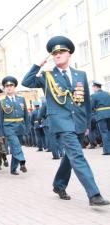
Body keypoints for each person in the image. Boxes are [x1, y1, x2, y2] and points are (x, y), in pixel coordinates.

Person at [22, 35, 109, 206]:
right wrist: (39, 63)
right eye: (55, 53)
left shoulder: (80, 74)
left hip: (78, 122)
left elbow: (85, 102)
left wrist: (86, 125)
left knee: (70, 156)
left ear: (69, 54)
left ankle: (59, 185)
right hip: (61, 123)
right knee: (78, 155)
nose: (58, 55)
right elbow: (26, 81)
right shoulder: (47, 76)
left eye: (62, 51)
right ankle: (94, 194)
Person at [0, 76, 28, 175]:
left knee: (17, 147)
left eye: (11, 85)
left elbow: (26, 115)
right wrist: (0, 132)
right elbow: (0, 119)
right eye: (7, 86)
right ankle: (22, 161)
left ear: (14, 87)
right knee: (16, 145)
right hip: (8, 127)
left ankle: (13, 169)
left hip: (20, 126)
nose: (9, 87)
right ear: (4, 88)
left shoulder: (21, 99)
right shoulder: (2, 102)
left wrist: (27, 128)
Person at [91, 81, 110, 155]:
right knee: (109, 131)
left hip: (101, 115)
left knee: (104, 132)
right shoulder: (108, 93)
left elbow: (92, 107)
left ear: (96, 87)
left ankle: (107, 150)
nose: (92, 89)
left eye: (93, 87)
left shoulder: (94, 95)